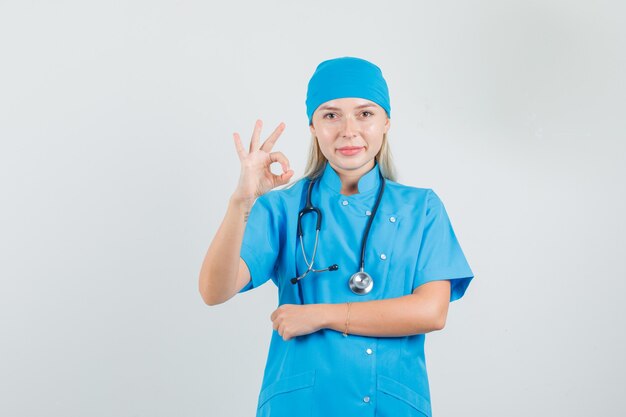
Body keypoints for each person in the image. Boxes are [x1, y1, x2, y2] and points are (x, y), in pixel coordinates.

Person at [199, 56, 475, 417]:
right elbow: (214, 291)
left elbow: (431, 311)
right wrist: (241, 202)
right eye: (330, 115)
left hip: (390, 403)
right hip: (300, 405)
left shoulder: (421, 208)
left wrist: (321, 315)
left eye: (364, 114)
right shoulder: (283, 207)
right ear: (312, 126)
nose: (348, 130)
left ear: (386, 122)